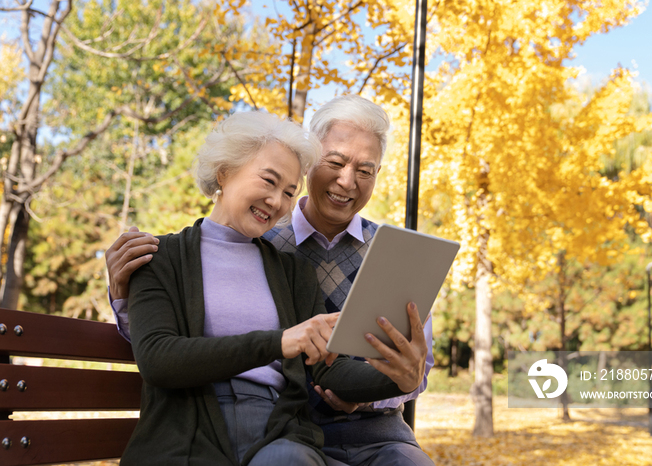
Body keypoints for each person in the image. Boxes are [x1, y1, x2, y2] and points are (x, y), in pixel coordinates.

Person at [107, 96, 435, 466]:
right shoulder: (171, 254)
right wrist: (122, 294)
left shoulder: (294, 269)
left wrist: (404, 381)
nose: (277, 201)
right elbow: (159, 353)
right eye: (268, 180)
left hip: (303, 431)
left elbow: (331, 367)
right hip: (206, 423)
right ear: (225, 172)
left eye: (289, 192)